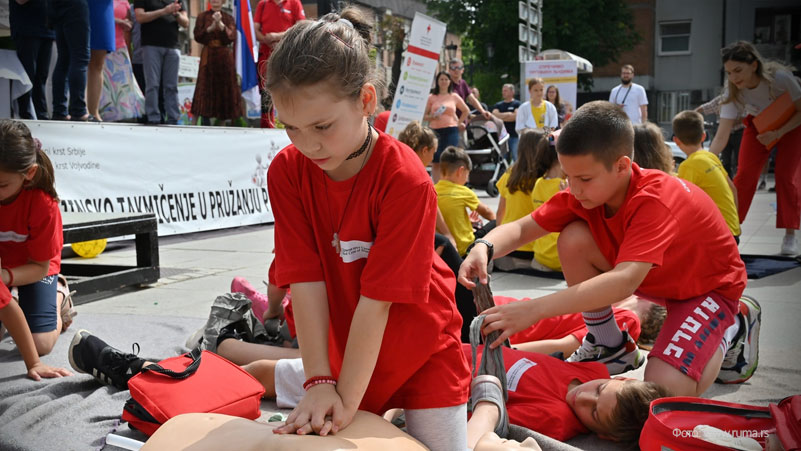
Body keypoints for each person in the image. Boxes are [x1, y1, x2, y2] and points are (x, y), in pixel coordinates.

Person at [263, 9, 470, 449]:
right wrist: (320, 379)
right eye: (290, 127)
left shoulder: (405, 179)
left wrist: (343, 402)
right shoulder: (286, 171)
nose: (307, 144)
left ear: (366, 101)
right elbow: (305, 281)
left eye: (321, 126)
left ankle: (487, 409)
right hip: (344, 349)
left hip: (423, 351)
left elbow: (377, 306)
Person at [460, 101, 758, 398]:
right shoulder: (587, 193)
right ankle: (609, 345)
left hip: (708, 291)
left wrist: (533, 310)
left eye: (584, 179)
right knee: (573, 237)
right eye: (567, 177)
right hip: (661, 281)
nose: (573, 189)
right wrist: (483, 247)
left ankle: (735, 323)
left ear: (622, 166)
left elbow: (623, 282)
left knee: (664, 394)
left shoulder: (655, 200)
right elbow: (523, 228)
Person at [69, 328, 667, 449]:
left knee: (247, 380)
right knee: (240, 364)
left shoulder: (554, 426)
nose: (582, 401)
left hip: (404, 383)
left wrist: (484, 402)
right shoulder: (585, 374)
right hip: (390, 355)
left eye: (592, 414)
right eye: (597, 393)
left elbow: (486, 419)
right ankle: (184, 362)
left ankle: (145, 372)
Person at [708, 41, 801, 255]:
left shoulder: (781, 79)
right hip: (759, 125)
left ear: (754, 65)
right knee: (744, 176)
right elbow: (722, 135)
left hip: (792, 126)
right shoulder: (732, 93)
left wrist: (779, 132)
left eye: (738, 70)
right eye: (729, 73)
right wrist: (705, 159)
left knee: (786, 177)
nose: (734, 78)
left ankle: (790, 235)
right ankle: (731, 231)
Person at [0, 120, 76, 378]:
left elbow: (39, 267)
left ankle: (59, 294)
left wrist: (5, 278)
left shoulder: (43, 204)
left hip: (36, 269)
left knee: (40, 344)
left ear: (29, 174)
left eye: (1, 185)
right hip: (4, 270)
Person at [398, 121, 477, 343]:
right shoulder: (416, 174)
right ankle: (470, 331)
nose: (434, 157)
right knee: (461, 276)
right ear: (424, 150)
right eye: (433, 152)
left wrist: (447, 236)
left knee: (448, 249)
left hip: (406, 236)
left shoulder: (403, 166)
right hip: (409, 239)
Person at [673, 110, 741, 242]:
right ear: (704, 136)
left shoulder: (688, 166)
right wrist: (735, 223)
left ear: (676, 141)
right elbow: (733, 189)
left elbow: (682, 204)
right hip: (732, 229)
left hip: (716, 235)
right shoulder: (711, 157)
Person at [493, 130, 548, 272]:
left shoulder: (509, 175)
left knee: (492, 224)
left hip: (508, 246)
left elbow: (500, 213)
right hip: (535, 249)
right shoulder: (544, 178)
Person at [134, 0, 189, 125]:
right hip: (151, 45)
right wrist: (164, 11)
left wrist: (176, 14)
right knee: (152, 84)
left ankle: (173, 118)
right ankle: (153, 117)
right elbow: (140, 17)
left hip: (173, 46)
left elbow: (186, 23)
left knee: (171, 86)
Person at [436, 146, 497, 257]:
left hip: (442, 248)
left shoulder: (433, 190)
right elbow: (487, 212)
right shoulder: (464, 191)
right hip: (465, 247)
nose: (467, 179)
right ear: (461, 171)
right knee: (496, 223)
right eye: (467, 174)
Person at [254, 0, 305, 128]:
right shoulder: (263, 4)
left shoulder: (294, 3)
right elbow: (255, 29)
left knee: (290, 89)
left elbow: (301, 27)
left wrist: (277, 37)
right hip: (266, 56)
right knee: (266, 92)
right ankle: (267, 125)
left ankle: (293, 124)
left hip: (287, 56)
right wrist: (266, 39)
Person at [191, 0, 242, 125]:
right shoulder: (202, 16)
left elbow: (232, 36)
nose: (215, 1)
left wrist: (221, 25)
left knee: (223, 88)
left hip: (224, 57)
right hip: (208, 56)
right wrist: (210, 28)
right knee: (203, 87)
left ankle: (222, 124)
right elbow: (197, 35)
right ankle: (193, 123)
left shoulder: (228, 18)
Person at [98, 0, 145, 122]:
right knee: (106, 83)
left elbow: (129, 26)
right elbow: (98, 16)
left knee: (124, 84)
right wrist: (118, 21)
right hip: (103, 44)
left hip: (120, 46)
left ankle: (124, 114)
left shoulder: (125, 3)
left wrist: (128, 25)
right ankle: (104, 113)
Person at [8, 0, 54, 120]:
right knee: (27, 76)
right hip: (27, 30)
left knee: (42, 77)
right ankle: (25, 115)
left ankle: (41, 114)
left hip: (47, 31)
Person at [424, 71, 471, 183]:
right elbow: (424, 115)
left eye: (446, 79)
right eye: (441, 79)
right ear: (437, 81)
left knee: (449, 158)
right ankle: (437, 186)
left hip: (451, 130)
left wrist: (459, 122)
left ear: (450, 82)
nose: (444, 82)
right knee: (436, 160)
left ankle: (450, 183)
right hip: (435, 130)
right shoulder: (432, 97)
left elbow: (466, 110)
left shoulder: (454, 96)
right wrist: (432, 117)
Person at [49, 0, 91, 122]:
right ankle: (78, 111)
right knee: (80, 58)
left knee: (64, 59)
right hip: (74, 6)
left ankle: (60, 110)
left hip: (57, 7)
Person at [696, 89, 745, 178]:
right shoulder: (722, 99)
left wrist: (726, 122)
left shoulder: (742, 99)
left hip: (739, 132)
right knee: (725, 160)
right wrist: (693, 114)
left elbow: (745, 117)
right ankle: (727, 181)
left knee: (739, 160)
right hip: (724, 132)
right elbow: (706, 107)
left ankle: (738, 181)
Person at [87, 0, 115, 122]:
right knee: (80, 62)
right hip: (83, 7)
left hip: (103, 7)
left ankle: (94, 111)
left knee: (98, 64)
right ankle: (81, 110)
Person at [447, 58, 492, 123]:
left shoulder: (463, 83)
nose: (456, 70)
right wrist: (458, 122)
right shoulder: (446, 84)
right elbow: (448, 106)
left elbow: (472, 99)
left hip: (462, 121)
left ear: (462, 70)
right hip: (450, 122)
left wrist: (483, 111)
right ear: (449, 70)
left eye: (458, 67)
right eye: (453, 68)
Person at [491, 84, 522, 161]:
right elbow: (494, 116)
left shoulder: (517, 104)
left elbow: (515, 117)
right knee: (503, 160)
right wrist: (508, 114)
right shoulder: (498, 105)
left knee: (516, 158)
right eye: (503, 91)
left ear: (512, 92)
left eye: (505, 91)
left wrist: (501, 117)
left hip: (514, 136)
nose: (503, 93)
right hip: (502, 137)